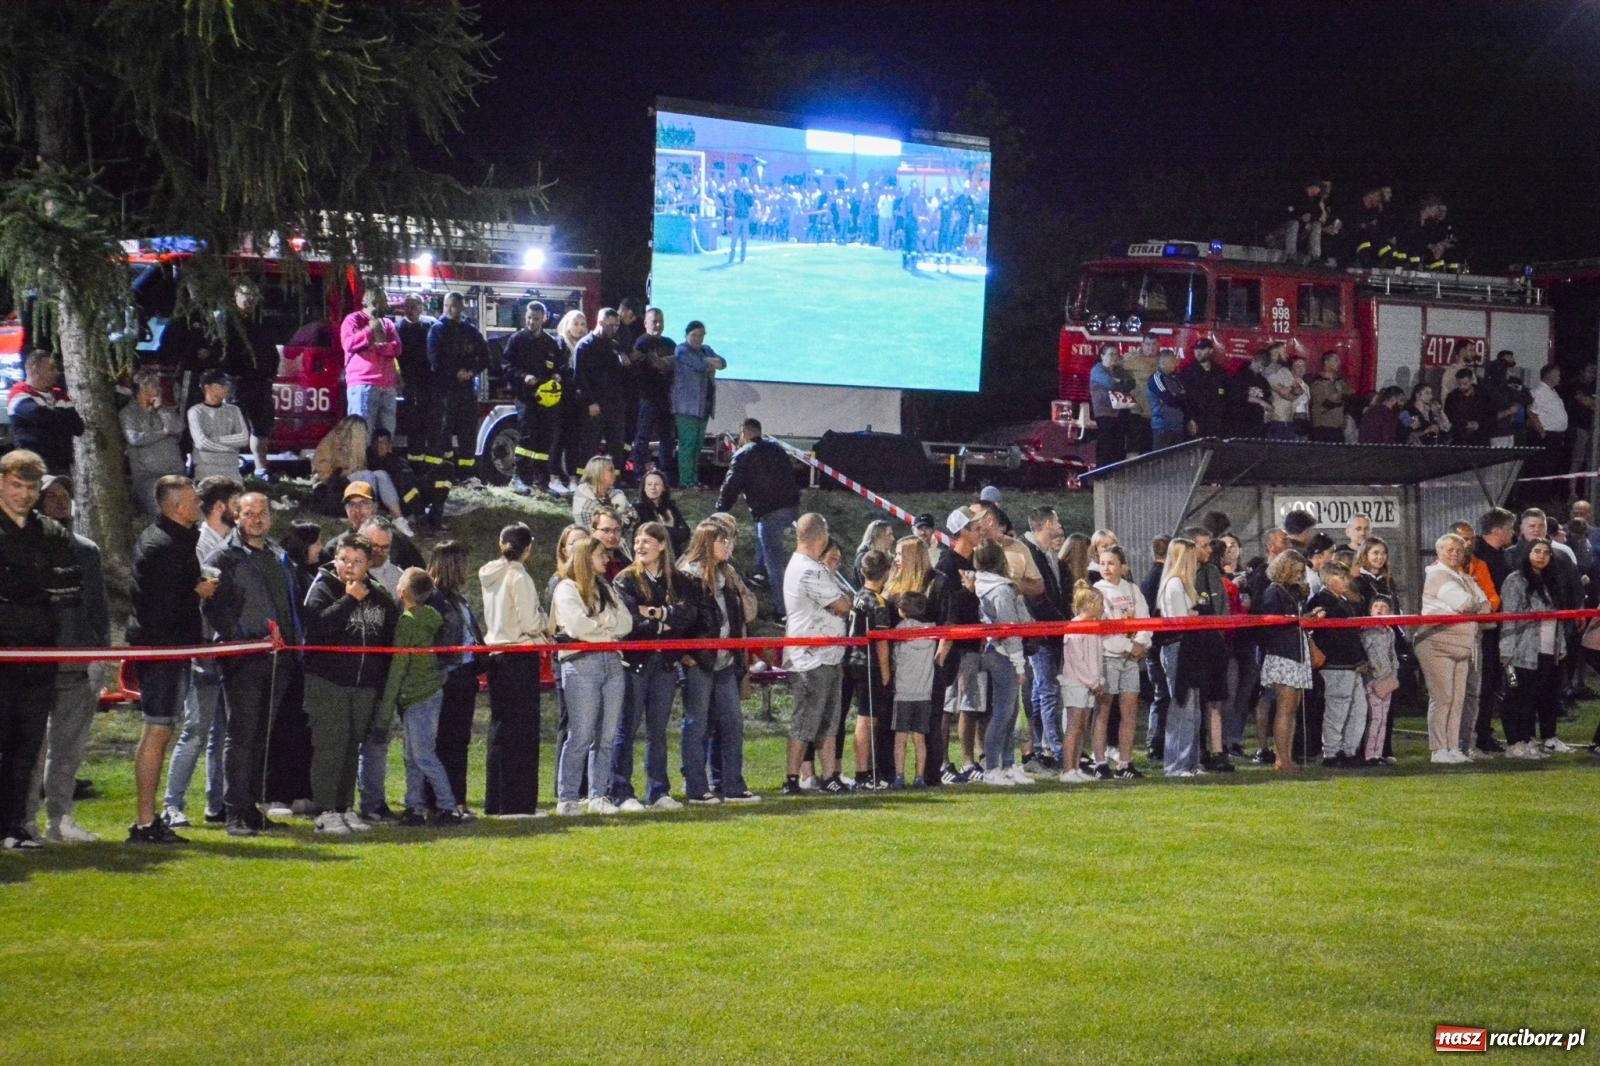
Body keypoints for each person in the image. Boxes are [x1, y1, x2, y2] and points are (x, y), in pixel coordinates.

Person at [202, 490, 303, 837]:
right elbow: (213, 607)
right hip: (244, 657)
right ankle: (233, 811)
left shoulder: (279, 556)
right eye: (249, 513)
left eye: (262, 512)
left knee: (262, 734)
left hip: (281, 657)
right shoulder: (224, 557)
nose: (256, 519)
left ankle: (252, 806)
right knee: (240, 734)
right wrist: (239, 634)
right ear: (236, 516)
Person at [0, 452, 83, 849]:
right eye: (17, 485)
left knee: (27, 743)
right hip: (5, 652)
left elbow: (70, 585)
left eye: (31, 488)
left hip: (39, 651)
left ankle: (16, 825)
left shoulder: (50, 532)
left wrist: (27, 587)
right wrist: (34, 588)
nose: (24, 495)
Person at [127, 475, 211, 844]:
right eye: (193, 500)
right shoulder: (163, 546)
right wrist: (198, 591)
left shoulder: (174, 540)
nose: (198, 505)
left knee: (163, 729)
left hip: (169, 649)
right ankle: (145, 821)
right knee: (157, 729)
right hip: (161, 650)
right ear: (176, 507)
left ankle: (149, 818)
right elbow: (160, 608)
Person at [23, 476, 106, 843]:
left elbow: (97, 608)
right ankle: (23, 820)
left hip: (76, 660)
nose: (60, 501)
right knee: (30, 748)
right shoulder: (22, 546)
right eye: (51, 495)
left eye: (64, 495)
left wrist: (99, 654)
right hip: (36, 660)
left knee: (68, 748)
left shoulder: (86, 550)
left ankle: (61, 817)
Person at [302, 532, 399, 833]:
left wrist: (380, 684)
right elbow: (316, 628)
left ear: (368, 564)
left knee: (351, 746)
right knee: (330, 745)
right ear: (336, 559)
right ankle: (324, 809)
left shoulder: (380, 596)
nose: (349, 566)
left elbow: (388, 640)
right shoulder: (323, 588)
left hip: (364, 685)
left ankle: (344, 807)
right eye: (344, 559)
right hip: (328, 681)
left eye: (357, 561)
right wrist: (348, 599)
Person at [612, 522, 693, 810]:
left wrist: (657, 613)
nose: (640, 546)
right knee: (627, 728)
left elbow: (686, 616)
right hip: (636, 662)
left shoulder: (678, 580)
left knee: (657, 731)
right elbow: (631, 622)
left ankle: (658, 791)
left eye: (647, 541)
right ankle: (621, 791)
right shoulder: (625, 580)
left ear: (662, 545)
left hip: (665, 664)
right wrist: (664, 623)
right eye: (637, 541)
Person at [551, 535, 633, 816]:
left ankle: (599, 795)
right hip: (581, 664)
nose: (607, 559)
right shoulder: (566, 588)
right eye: (601, 555)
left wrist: (599, 629)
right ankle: (568, 797)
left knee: (606, 735)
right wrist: (605, 632)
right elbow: (576, 626)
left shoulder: (606, 588)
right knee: (581, 734)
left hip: (613, 663)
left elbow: (626, 622)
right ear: (587, 558)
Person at [677, 520, 758, 804]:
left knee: (733, 721)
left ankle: (731, 784)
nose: (729, 546)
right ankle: (696, 787)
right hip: (699, 660)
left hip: (726, 659)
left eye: (730, 541)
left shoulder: (728, 575)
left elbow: (747, 613)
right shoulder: (688, 576)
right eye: (723, 542)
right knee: (696, 722)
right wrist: (684, 654)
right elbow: (682, 620)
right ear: (706, 544)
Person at [377, 568, 465, 827]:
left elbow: (399, 666)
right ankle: (413, 806)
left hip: (417, 696)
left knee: (423, 755)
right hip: (427, 693)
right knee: (412, 755)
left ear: (402, 592)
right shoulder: (431, 616)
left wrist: (385, 710)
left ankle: (447, 806)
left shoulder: (407, 622)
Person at [479, 523, 548, 816]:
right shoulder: (519, 577)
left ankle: (496, 800)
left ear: (500, 543)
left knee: (500, 729)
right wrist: (545, 621)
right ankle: (518, 802)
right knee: (522, 732)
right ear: (528, 549)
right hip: (519, 656)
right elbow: (530, 623)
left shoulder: (489, 575)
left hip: (496, 655)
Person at [781, 513, 851, 795]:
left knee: (829, 721)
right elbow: (843, 603)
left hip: (828, 654)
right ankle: (792, 778)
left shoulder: (807, 566)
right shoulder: (808, 569)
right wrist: (841, 603)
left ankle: (829, 775)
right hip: (811, 656)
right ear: (820, 536)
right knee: (806, 720)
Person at [715, 417, 800, 617]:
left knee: (775, 561)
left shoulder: (743, 454)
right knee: (764, 535)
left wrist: (720, 509)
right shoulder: (777, 448)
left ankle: (782, 611)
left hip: (769, 510)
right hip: (790, 506)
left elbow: (731, 485)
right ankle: (758, 572)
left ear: (743, 434)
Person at [1417, 533, 1489, 764]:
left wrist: (1472, 607)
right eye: (1449, 549)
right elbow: (1467, 604)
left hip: (1463, 644)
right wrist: (1471, 606)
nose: (1455, 554)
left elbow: (1486, 606)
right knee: (1443, 698)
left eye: (1458, 550)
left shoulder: (1464, 577)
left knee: (1458, 698)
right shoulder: (1437, 575)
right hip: (1437, 643)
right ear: (1439, 552)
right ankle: (1438, 749)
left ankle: (1453, 747)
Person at [267, 521, 322, 815]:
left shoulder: (308, 574)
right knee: (284, 729)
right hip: (288, 662)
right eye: (317, 543)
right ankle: (278, 794)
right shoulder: (287, 573)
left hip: (305, 664)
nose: (321, 549)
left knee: (303, 729)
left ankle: (301, 791)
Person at [423, 541, 482, 816]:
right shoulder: (433, 600)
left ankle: (456, 800)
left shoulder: (457, 600)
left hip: (464, 676)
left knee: (458, 742)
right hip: (447, 678)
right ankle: (441, 801)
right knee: (445, 742)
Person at [424, 291, 489, 526]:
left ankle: (466, 476)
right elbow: (434, 359)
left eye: (457, 307)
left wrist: (471, 372)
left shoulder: (470, 331)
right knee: (442, 435)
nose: (454, 310)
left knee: (467, 434)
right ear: (444, 306)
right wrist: (455, 373)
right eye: (450, 306)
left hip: (466, 393)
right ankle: (440, 476)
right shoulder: (437, 330)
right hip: (444, 392)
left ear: (462, 308)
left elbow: (485, 356)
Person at [1498, 539, 1564, 760]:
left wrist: (1560, 644)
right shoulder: (1515, 580)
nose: (1541, 556)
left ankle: (1527, 740)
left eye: (1546, 552)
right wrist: (1506, 649)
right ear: (1527, 553)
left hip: (1545, 650)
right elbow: (1508, 617)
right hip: (1520, 651)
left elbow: (1558, 618)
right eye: (1537, 551)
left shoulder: (1550, 580)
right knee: (1515, 694)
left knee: (1532, 698)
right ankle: (1513, 742)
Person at [1093, 545, 1151, 780]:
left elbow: (1144, 618)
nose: (1106, 567)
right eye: (1103, 562)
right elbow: (1103, 628)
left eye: (1111, 563)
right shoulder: (1097, 591)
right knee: (1103, 710)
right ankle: (1099, 762)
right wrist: (1129, 646)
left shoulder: (1131, 589)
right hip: (1109, 656)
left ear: (1123, 566)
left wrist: (1141, 642)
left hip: (1130, 659)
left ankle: (1124, 763)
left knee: (1129, 711)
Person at [973, 541, 1029, 785]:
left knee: (1009, 711)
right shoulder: (1001, 590)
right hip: (1002, 653)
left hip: (994, 650)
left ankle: (1007, 764)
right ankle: (993, 767)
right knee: (1003, 712)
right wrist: (1019, 664)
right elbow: (1010, 628)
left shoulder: (983, 585)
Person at [1308, 561, 1369, 766]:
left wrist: (1360, 659)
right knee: (1337, 708)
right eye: (1341, 578)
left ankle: (1349, 750)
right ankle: (1331, 752)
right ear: (1327, 579)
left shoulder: (1342, 600)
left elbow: (1351, 635)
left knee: (1358, 708)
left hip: (1350, 664)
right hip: (1335, 663)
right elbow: (1334, 636)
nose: (1346, 581)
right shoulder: (1322, 601)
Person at [1259, 550, 1314, 772]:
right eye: (1297, 571)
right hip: (1283, 654)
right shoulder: (1273, 592)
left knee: (1292, 710)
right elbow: (1274, 623)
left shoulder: (1292, 591)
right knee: (1284, 708)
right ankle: (1281, 758)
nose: (1300, 575)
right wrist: (1301, 620)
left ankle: (1286, 757)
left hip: (1296, 652)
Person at [500, 301, 563, 496]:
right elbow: (506, 366)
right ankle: (519, 478)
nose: (531, 322)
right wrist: (523, 376)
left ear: (543, 319)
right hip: (525, 397)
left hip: (547, 399)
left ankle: (541, 481)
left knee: (545, 439)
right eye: (528, 318)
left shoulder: (550, 343)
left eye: (536, 319)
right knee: (527, 437)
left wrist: (557, 375)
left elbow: (560, 366)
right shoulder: (517, 340)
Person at [1021, 507, 1067, 769]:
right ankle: (1057, 751)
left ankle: (1040, 749)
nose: (1059, 526)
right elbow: (1038, 597)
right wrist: (1061, 623)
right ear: (1048, 523)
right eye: (1057, 521)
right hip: (1042, 632)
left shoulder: (1043, 553)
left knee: (1041, 692)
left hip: (1048, 631)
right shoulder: (1031, 553)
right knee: (1047, 692)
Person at [845, 549, 895, 788]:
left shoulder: (858, 595)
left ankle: (867, 770)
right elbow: (882, 641)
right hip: (869, 664)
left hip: (853, 661)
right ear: (886, 573)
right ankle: (862, 772)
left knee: (865, 718)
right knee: (867, 719)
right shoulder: (878, 601)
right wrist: (886, 672)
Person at [1155, 538, 1204, 777]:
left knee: (1192, 706)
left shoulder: (1184, 584)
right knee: (1182, 705)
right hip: (1177, 647)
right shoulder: (1174, 584)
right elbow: (1179, 620)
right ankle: (1176, 765)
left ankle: (1191, 763)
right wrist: (1194, 615)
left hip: (1189, 648)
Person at [222, 282, 281, 480]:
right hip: (236, 383)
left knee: (261, 427)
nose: (249, 299)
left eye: (253, 295)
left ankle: (261, 469)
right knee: (232, 427)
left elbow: (271, 349)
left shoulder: (262, 321)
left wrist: (271, 372)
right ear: (235, 297)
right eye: (244, 294)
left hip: (261, 382)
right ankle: (229, 467)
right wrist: (232, 373)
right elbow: (222, 350)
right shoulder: (228, 321)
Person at [1057, 581, 1105, 784]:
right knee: (1074, 726)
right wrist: (1091, 681)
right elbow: (1077, 660)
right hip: (1075, 682)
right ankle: (1067, 769)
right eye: (1100, 603)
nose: (1103, 608)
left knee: (1082, 726)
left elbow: (1097, 657)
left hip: (1090, 684)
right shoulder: (1075, 627)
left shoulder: (1094, 627)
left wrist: (1099, 679)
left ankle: (1076, 767)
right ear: (1088, 605)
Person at [6, 350, 83, 476]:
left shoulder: (59, 395)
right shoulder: (18, 394)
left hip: (61, 466)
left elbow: (78, 428)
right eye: (52, 369)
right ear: (35, 370)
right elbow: (42, 418)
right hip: (33, 467)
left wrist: (52, 418)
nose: (57, 373)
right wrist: (62, 417)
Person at [120, 370, 186, 517]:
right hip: (149, 476)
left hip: (176, 471)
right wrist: (163, 433)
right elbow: (135, 438)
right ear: (142, 389)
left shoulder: (164, 410)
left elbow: (178, 427)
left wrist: (161, 410)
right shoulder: (128, 413)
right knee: (160, 514)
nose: (158, 389)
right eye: (154, 386)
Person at [572, 307, 629, 473]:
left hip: (614, 406)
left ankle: (614, 482)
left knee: (616, 446)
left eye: (617, 326)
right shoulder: (585, 346)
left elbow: (618, 377)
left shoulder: (614, 346)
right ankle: (584, 481)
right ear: (600, 322)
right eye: (611, 325)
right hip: (594, 405)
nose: (614, 329)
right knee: (590, 445)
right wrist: (590, 402)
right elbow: (579, 378)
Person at [890, 591, 936, 788]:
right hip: (924, 691)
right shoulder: (931, 632)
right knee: (920, 739)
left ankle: (899, 776)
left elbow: (895, 658)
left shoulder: (900, 631)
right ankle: (919, 777)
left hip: (903, 691)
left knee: (900, 739)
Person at [340, 284, 401, 436]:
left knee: (387, 435)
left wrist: (378, 347)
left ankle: (382, 460)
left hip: (387, 386)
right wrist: (369, 330)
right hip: (363, 385)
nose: (387, 304)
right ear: (372, 301)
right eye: (384, 300)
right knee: (360, 435)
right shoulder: (352, 320)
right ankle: (359, 461)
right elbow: (349, 344)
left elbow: (397, 347)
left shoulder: (388, 324)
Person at [670, 320, 725, 489]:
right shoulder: (681, 350)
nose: (697, 338)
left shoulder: (706, 349)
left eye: (700, 335)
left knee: (697, 446)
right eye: (694, 335)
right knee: (687, 445)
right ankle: (685, 481)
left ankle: (694, 480)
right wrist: (710, 362)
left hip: (704, 407)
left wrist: (710, 361)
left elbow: (723, 363)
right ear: (686, 335)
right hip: (687, 407)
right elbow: (700, 366)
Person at [629, 306, 678, 480]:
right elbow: (649, 363)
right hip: (647, 396)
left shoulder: (670, 344)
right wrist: (661, 363)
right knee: (643, 436)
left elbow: (672, 365)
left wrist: (665, 363)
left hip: (666, 396)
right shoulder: (642, 342)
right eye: (654, 321)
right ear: (645, 323)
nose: (657, 325)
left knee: (667, 437)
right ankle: (638, 473)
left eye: (660, 322)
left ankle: (665, 474)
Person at [1140, 535, 1172, 761]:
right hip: (1160, 645)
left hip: (1155, 645)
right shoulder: (1161, 579)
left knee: (1161, 695)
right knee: (1163, 696)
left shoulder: (1149, 578)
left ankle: (1157, 742)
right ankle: (1156, 742)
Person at [187, 368, 249, 482]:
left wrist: (215, 439)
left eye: (227, 384)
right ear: (207, 387)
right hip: (206, 472)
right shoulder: (196, 411)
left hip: (232, 472)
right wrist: (229, 449)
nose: (226, 388)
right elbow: (202, 442)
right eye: (221, 385)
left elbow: (244, 438)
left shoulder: (234, 410)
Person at [394, 294, 435, 443]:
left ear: (422, 308)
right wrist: (398, 379)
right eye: (409, 305)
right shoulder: (397, 329)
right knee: (411, 421)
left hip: (428, 383)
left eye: (416, 305)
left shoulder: (430, 326)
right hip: (408, 382)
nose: (413, 309)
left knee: (429, 421)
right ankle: (414, 457)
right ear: (404, 308)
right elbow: (393, 358)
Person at [1088, 343, 1134, 464]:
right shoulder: (1097, 370)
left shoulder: (1119, 371)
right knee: (1106, 446)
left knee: (1118, 446)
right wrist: (1119, 382)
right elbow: (1110, 384)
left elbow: (1131, 383)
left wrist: (1120, 381)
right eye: (1111, 354)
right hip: (1105, 413)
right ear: (1102, 356)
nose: (1114, 357)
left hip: (1120, 413)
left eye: (1116, 354)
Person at [1177, 338, 1228, 438]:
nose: (1198, 352)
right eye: (1196, 349)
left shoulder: (1219, 372)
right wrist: (1190, 419)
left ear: (1211, 351)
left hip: (1214, 422)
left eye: (1202, 349)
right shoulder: (1188, 372)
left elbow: (1224, 396)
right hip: (1195, 420)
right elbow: (1184, 398)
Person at [573, 455, 637, 532]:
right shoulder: (583, 499)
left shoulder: (616, 495)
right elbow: (592, 532)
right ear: (598, 472)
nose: (615, 473)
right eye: (610, 470)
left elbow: (634, 518)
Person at [1527, 364, 1569, 478]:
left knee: (1551, 469)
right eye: (1557, 375)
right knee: (1542, 469)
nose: (1559, 378)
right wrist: (1541, 432)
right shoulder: (1540, 391)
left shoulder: (1552, 391)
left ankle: (1546, 494)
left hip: (1555, 436)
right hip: (1546, 436)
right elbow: (1532, 413)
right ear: (1549, 375)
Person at [635, 469, 689, 555]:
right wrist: (670, 530)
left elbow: (685, 533)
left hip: (673, 554)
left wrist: (663, 530)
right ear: (644, 488)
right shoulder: (638, 509)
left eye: (657, 484)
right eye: (649, 484)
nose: (653, 487)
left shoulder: (671, 508)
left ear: (663, 487)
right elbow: (648, 533)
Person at [1147, 348, 1187, 449]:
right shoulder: (1156, 378)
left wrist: (1175, 396)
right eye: (1172, 361)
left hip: (1177, 426)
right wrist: (1177, 396)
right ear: (1163, 362)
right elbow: (1168, 399)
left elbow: (1186, 398)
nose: (1176, 363)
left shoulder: (1175, 378)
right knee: (1159, 460)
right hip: (1162, 427)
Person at [358, 517, 403, 598]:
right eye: (373, 545)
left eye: (384, 547)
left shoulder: (399, 580)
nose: (378, 551)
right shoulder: (343, 569)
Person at [1445, 368, 1487, 445]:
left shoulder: (1483, 395)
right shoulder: (1451, 397)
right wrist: (1464, 424)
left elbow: (1490, 415)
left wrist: (1479, 424)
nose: (1462, 387)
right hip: (1459, 438)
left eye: (1465, 384)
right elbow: (1448, 417)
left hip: (1480, 438)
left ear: (1471, 381)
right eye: (1459, 384)